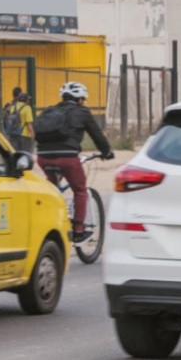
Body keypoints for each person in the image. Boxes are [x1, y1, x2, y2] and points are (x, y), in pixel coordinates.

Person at [35, 82, 115, 243]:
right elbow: (97, 135)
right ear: (80, 99)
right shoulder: (82, 112)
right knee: (80, 190)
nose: (83, 102)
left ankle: (46, 224)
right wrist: (106, 152)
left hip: (43, 156)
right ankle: (78, 230)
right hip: (67, 157)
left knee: (52, 190)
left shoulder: (49, 111)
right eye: (83, 100)